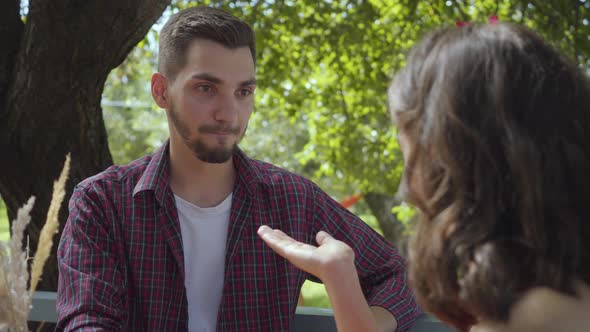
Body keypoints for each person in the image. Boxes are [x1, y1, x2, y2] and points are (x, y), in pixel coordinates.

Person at [55, 6, 420, 332]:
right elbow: (87, 322)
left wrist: (368, 325)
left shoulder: (293, 199)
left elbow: (399, 274)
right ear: (161, 92)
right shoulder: (102, 202)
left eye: (243, 92)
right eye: (206, 88)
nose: (228, 113)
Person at [260, 22, 590, 332]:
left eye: (411, 151)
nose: (408, 185)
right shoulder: (544, 287)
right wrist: (340, 277)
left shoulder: (537, 316)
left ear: (452, 160)